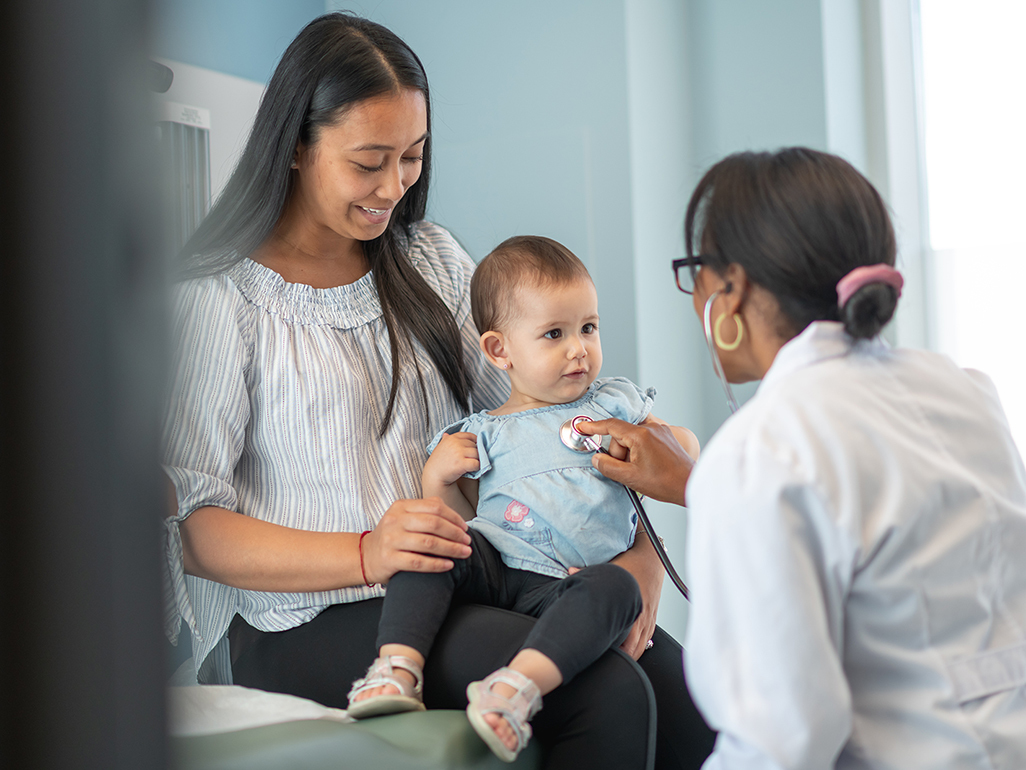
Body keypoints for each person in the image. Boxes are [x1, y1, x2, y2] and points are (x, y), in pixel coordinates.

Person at [162, 12, 715, 769]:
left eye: (412, 156)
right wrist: (366, 552)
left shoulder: (431, 262)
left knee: (689, 698)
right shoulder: (220, 301)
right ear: (295, 146)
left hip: (457, 581)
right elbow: (196, 531)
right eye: (368, 162)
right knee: (604, 691)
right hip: (303, 620)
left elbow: (552, 419)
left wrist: (640, 560)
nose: (394, 185)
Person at [579, 147, 1026, 769]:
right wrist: (704, 484)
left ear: (730, 291)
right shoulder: (963, 389)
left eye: (695, 273)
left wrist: (722, 481)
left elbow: (779, 740)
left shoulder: (763, 447)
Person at [346, 236, 701, 762]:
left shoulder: (613, 403)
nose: (578, 348)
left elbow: (678, 447)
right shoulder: (480, 432)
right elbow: (464, 518)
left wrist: (658, 443)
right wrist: (438, 480)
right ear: (499, 350)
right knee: (431, 542)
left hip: (568, 589)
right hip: (499, 571)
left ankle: (515, 688)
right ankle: (396, 668)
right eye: (554, 334)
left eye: (588, 327)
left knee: (617, 587)